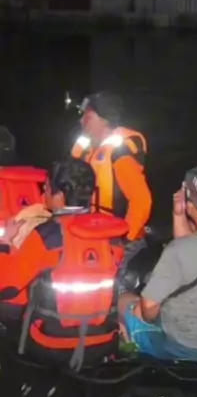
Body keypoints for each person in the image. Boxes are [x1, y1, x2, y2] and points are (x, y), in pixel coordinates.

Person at [0, 158, 128, 368]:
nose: (43, 194)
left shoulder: (48, 237)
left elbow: (6, 286)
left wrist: (5, 243)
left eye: (47, 189)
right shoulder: (112, 235)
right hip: (103, 339)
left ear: (59, 196)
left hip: (50, 342)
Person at [119, 166, 197, 362]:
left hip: (181, 349)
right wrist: (179, 215)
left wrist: (147, 315)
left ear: (190, 203)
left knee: (124, 301)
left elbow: (149, 308)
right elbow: (191, 248)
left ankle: (132, 357)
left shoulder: (177, 252)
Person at [71, 91, 152, 278]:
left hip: (118, 239)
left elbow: (141, 200)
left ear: (104, 120)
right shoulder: (85, 150)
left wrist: (124, 240)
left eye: (88, 116)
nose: (82, 121)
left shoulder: (120, 154)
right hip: (92, 234)